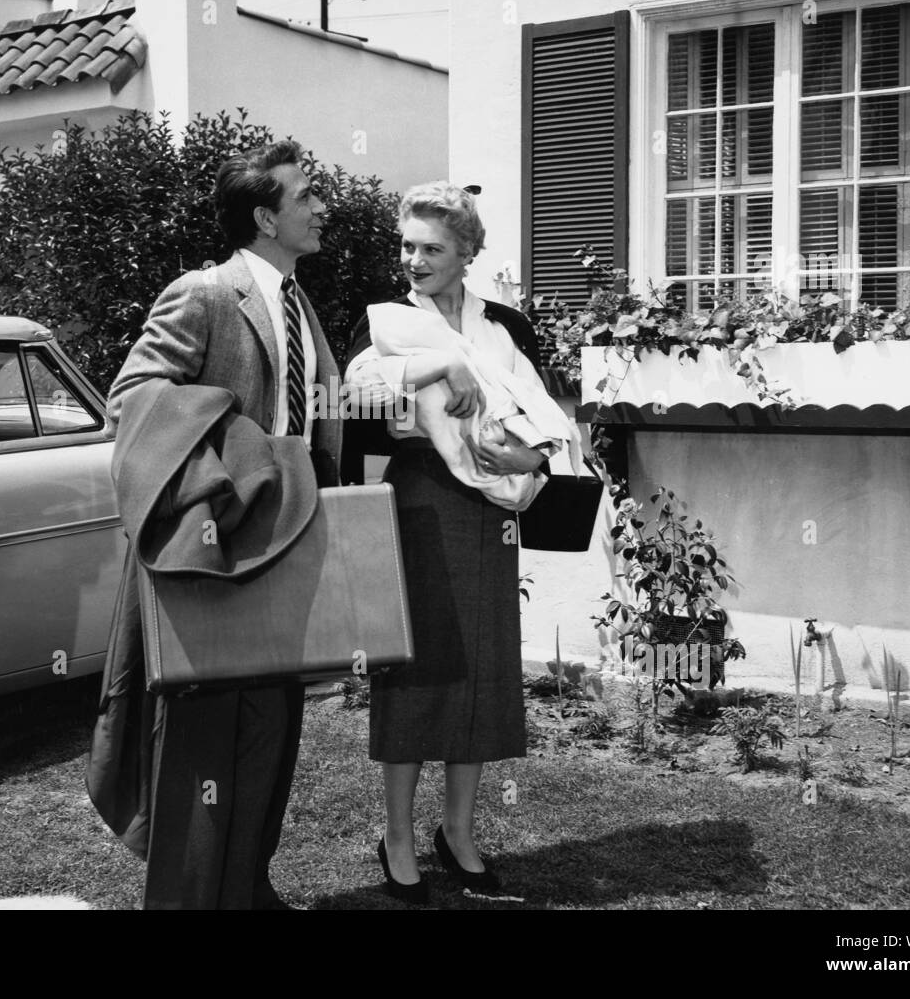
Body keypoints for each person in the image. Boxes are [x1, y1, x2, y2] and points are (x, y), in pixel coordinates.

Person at [104, 138, 340, 910]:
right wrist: (246, 459)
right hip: (214, 546)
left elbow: (318, 413)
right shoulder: (204, 293)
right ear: (266, 215)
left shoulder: (300, 302)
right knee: (203, 739)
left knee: (272, 727)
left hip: (285, 541)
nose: (319, 205)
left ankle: (247, 884)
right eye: (305, 194)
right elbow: (135, 399)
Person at [344, 181, 567, 903]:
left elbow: (544, 417)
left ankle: (460, 831)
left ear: (467, 253)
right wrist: (436, 371)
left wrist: (530, 460)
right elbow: (355, 404)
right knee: (418, 669)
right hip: (419, 506)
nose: (414, 260)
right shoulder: (383, 324)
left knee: (479, 669)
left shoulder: (505, 328)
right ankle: (399, 835)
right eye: (407, 246)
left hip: (490, 512)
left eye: (432, 248)